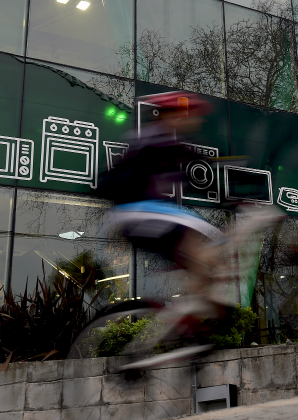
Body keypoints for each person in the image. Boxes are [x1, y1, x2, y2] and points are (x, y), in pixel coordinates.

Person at [91, 91, 278, 368]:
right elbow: (205, 177)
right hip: (139, 214)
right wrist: (239, 200)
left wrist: (233, 198)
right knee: (204, 235)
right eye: (189, 115)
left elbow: (202, 181)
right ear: (174, 115)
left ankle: (192, 322)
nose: (194, 121)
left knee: (206, 258)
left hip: (145, 216)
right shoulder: (159, 138)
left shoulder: (167, 143)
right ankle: (199, 320)